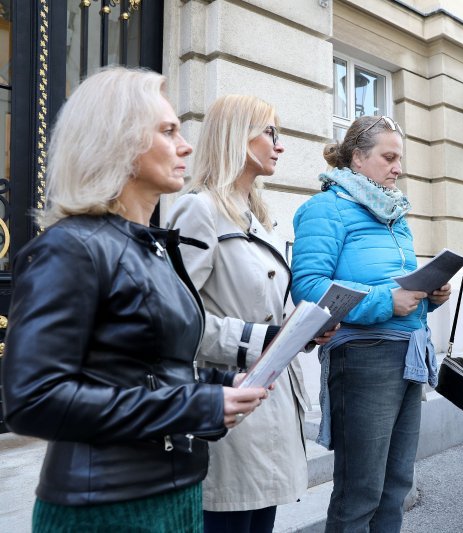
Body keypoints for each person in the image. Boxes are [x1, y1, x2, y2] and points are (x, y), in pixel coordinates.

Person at [0, 67, 268, 532]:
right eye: (168, 131)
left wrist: (219, 386)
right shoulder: (70, 246)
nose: (186, 146)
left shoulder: (150, 245)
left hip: (177, 490)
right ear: (116, 141)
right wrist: (195, 406)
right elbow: (33, 400)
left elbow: (148, 365)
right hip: (106, 507)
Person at [165, 95, 333, 533]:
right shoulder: (198, 210)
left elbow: (270, 306)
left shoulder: (258, 218)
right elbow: (176, 321)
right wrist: (262, 340)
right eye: (270, 133)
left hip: (272, 402)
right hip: (228, 406)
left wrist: (305, 332)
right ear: (238, 136)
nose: (279, 145)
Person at [290, 115, 451, 532]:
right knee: (360, 491)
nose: (398, 167)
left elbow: (398, 291)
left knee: (396, 485)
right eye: (389, 157)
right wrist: (386, 301)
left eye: (400, 158)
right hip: (363, 357)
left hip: (408, 353)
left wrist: (428, 298)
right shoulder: (325, 209)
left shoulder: (395, 214)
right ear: (358, 159)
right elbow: (309, 288)